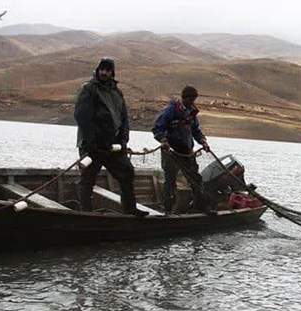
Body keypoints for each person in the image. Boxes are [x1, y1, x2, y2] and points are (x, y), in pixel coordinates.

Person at [74, 57, 148, 217]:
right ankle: (85, 213)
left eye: (108, 70)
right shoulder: (89, 89)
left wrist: (123, 139)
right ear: (97, 70)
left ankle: (130, 209)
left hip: (113, 146)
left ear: (112, 72)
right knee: (88, 178)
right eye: (102, 69)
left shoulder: (117, 92)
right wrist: (91, 142)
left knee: (127, 173)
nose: (104, 73)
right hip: (92, 145)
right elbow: (82, 117)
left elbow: (124, 119)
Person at [153, 85, 216, 215]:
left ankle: (202, 207)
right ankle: (167, 210)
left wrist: (203, 141)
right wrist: (163, 141)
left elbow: (195, 131)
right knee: (170, 181)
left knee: (196, 179)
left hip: (187, 152)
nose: (192, 103)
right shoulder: (171, 110)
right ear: (184, 98)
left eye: (194, 100)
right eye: (190, 100)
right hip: (170, 152)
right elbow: (158, 128)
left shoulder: (192, 112)